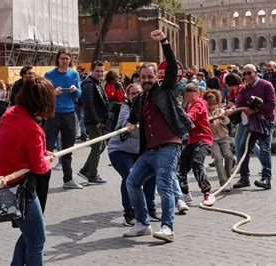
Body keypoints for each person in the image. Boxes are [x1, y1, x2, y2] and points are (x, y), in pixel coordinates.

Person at [123, 30, 194, 242]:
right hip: (150, 150)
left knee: (164, 185)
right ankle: (143, 223)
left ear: (157, 77)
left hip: (169, 146)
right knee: (132, 182)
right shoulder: (139, 100)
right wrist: (129, 124)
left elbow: (172, 65)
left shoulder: (166, 89)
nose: (146, 80)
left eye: (150, 77)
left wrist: (164, 41)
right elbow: (134, 119)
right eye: (143, 77)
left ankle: (167, 227)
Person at [0, 77, 55, 265]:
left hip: (5, 186)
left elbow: (18, 147)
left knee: (28, 235)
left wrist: (42, 152)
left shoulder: (10, 114)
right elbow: (39, 167)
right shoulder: (31, 128)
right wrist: (48, 160)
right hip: (22, 191)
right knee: (37, 241)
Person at [108, 83, 161, 226]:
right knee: (129, 176)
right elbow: (123, 123)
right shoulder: (125, 108)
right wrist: (128, 126)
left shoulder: (149, 106)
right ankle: (129, 213)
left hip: (140, 150)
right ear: (128, 96)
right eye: (132, 93)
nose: (136, 96)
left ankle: (150, 209)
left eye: (138, 93)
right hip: (120, 150)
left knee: (151, 174)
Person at [231, 64, 276, 190]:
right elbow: (239, 104)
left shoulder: (266, 85)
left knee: (264, 149)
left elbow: (271, 104)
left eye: (249, 73)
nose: (247, 76)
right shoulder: (244, 89)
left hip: (265, 122)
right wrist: (231, 110)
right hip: (252, 124)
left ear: (256, 72)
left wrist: (255, 110)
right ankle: (244, 178)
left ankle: (266, 179)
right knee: (242, 148)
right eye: (244, 74)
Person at [44, 48, 82, 189]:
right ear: (58, 59)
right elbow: (44, 94)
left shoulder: (74, 74)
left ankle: (68, 179)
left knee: (68, 148)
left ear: (70, 60)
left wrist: (74, 90)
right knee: (47, 148)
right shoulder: (49, 74)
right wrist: (53, 92)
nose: (65, 61)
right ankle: (43, 179)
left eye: (67, 58)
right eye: (62, 58)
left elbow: (79, 94)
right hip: (53, 114)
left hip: (69, 114)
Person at [177, 83, 215, 205]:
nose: (189, 96)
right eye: (187, 94)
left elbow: (191, 115)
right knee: (181, 166)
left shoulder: (198, 103)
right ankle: (185, 194)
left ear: (198, 93)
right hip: (192, 140)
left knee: (197, 162)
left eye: (192, 93)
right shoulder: (189, 104)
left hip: (203, 138)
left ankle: (207, 193)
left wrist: (182, 119)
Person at [78, 61, 108, 184]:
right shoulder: (89, 84)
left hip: (98, 120)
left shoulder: (96, 83)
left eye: (102, 71)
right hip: (93, 122)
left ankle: (85, 170)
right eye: (97, 71)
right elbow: (88, 105)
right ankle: (92, 174)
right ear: (91, 70)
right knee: (97, 147)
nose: (100, 73)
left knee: (101, 146)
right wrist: (96, 122)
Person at [204, 89, 233, 191]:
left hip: (223, 137)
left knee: (229, 156)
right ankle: (223, 182)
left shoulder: (220, 109)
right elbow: (205, 122)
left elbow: (227, 121)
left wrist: (223, 118)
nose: (211, 102)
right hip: (212, 140)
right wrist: (214, 118)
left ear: (216, 100)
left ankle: (228, 178)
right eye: (209, 99)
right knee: (217, 158)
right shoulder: (204, 111)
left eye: (213, 99)